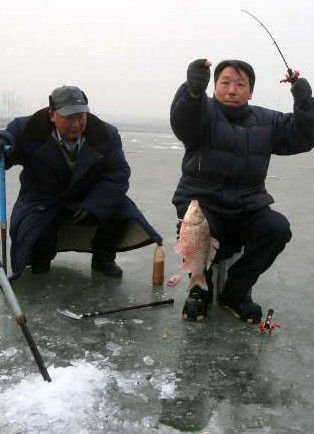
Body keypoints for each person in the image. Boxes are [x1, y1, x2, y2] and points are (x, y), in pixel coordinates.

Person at [170, 58, 314, 323]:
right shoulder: (202, 112)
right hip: (202, 204)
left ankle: (236, 291)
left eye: (239, 84)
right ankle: (200, 290)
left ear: (250, 91)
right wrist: (192, 91)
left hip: (248, 206)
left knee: (277, 228)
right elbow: (183, 123)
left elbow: (304, 136)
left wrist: (304, 101)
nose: (232, 89)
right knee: (197, 230)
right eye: (224, 83)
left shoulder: (267, 121)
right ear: (213, 87)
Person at [0, 85, 162, 280]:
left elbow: (117, 175)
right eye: (69, 118)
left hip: (86, 196)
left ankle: (103, 259)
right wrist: (3, 142)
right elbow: (11, 140)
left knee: (119, 212)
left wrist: (95, 205)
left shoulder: (105, 135)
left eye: (81, 117)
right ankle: (39, 262)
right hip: (42, 199)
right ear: (52, 115)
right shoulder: (30, 129)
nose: (76, 124)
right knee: (35, 238)